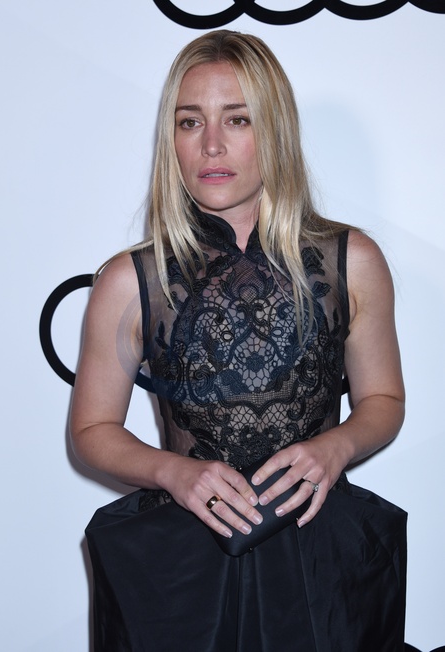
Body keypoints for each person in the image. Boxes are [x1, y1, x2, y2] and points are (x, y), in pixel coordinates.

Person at [70, 30, 407, 652]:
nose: (212, 144)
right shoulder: (129, 280)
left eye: (238, 119)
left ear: (273, 129)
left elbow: (384, 400)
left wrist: (335, 447)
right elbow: (92, 430)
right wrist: (174, 472)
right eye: (190, 122)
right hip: (182, 573)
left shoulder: (351, 261)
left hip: (321, 563)